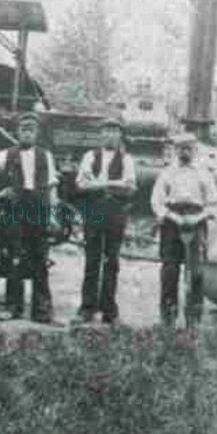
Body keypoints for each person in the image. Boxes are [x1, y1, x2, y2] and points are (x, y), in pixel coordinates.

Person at [0, 112, 61, 324]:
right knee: (14, 258)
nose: (27, 133)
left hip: (39, 211)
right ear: (18, 132)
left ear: (36, 133)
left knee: (39, 260)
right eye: (23, 129)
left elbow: (52, 187)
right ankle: (12, 307)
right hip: (16, 211)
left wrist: (52, 216)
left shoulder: (46, 155)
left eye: (31, 130)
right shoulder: (8, 154)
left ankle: (42, 311)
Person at [151, 132, 217, 328]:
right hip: (172, 222)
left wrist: (199, 217)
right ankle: (168, 316)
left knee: (196, 271)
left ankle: (194, 317)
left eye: (189, 147)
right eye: (181, 148)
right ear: (175, 150)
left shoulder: (203, 173)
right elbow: (156, 201)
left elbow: (214, 202)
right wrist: (172, 217)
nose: (185, 151)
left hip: (197, 220)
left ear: (195, 150)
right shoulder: (167, 173)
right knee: (170, 270)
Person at [72, 116, 137, 324]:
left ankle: (109, 310)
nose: (110, 134)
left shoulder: (127, 159)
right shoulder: (90, 156)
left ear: (120, 135)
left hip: (116, 215)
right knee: (92, 261)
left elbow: (130, 187)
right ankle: (87, 308)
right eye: (106, 130)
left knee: (112, 262)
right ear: (101, 134)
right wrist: (112, 185)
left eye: (114, 130)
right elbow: (81, 184)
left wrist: (99, 183)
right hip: (94, 213)